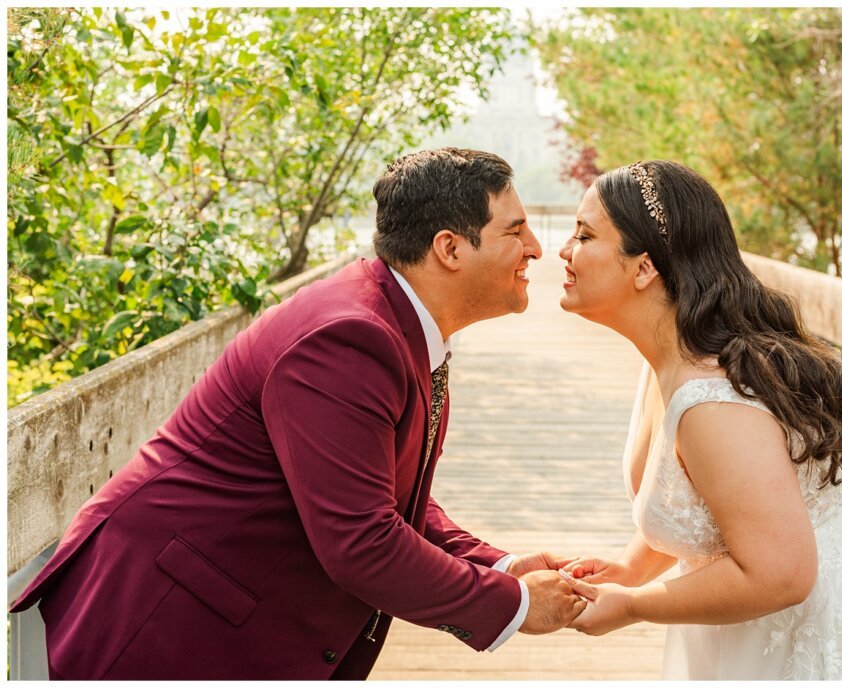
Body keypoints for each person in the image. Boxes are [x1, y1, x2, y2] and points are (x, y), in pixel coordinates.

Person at [9, 148, 585, 680]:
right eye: (515, 230)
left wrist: (499, 565)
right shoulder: (349, 337)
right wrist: (517, 605)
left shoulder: (392, 319)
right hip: (162, 623)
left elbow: (375, 491)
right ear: (450, 248)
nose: (536, 247)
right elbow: (361, 541)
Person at [554, 160, 842, 680]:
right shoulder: (667, 361)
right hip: (756, 619)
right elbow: (703, 502)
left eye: (583, 235)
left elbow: (781, 574)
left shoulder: (713, 407)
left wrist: (633, 605)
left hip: (836, 625)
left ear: (644, 267)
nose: (563, 250)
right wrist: (629, 571)